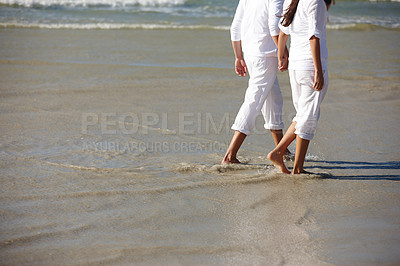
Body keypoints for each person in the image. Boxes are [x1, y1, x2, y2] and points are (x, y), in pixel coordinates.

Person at [267, 0, 334, 174]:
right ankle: (293, 164)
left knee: (302, 115)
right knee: (308, 117)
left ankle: (284, 156)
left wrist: (281, 56)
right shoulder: (316, 2)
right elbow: (314, 36)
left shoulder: (292, 0)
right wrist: (318, 70)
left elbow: (283, 32)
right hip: (309, 66)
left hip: (296, 67)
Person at [221, 0, 290, 164]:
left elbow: (235, 26)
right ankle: (230, 156)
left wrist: (238, 56)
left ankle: (282, 149)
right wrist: (283, 52)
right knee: (254, 100)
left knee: (273, 99)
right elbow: (274, 27)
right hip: (265, 55)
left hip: (251, 54)